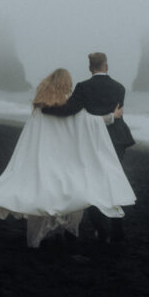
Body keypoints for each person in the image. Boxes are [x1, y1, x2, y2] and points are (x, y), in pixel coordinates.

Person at [0, 68, 136, 249]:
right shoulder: (70, 105)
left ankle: (37, 239)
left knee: (45, 195)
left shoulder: (40, 107)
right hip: (66, 159)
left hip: (43, 159)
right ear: (66, 84)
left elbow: (29, 137)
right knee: (73, 193)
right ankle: (67, 231)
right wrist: (112, 117)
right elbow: (89, 123)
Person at [42, 53, 135, 244]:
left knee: (92, 184)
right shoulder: (120, 88)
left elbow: (70, 110)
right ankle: (117, 231)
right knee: (112, 182)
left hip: (95, 140)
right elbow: (115, 114)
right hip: (117, 139)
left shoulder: (83, 87)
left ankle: (102, 231)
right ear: (106, 67)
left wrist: (45, 108)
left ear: (90, 68)